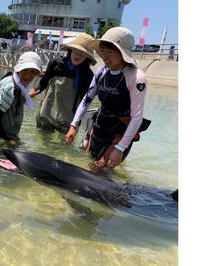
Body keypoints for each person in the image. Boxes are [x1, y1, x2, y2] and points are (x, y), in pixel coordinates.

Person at [65, 27, 151, 172]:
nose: (104, 56)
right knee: (87, 162)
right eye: (102, 51)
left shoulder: (136, 77)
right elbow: (87, 99)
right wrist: (74, 125)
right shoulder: (102, 71)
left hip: (120, 132)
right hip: (99, 126)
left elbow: (137, 117)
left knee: (100, 170)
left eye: (110, 52)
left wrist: (120, 147)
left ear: (123, 53)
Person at [32, 33, 96, 134]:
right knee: (43, 138)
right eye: (76, 51)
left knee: (64, 144)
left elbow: (85, 100)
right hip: (48, 110)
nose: (78, 56)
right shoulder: (56, 63)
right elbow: (44, 82)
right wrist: (35, 90)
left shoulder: (87, 74)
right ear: (71, 50)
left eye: (82, 54)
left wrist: (76, 122)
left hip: (69, 116)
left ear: (87, 57)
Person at [0, 51, 42, 145]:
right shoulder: (10, 88)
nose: (28, 74)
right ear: (19, 69)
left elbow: (13, 102)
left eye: (32, 71)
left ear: (36, 74)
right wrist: (7, 139)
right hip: (1, 135)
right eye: (25, 70)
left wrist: (27, 96)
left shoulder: (20, 86)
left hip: (8, 134)